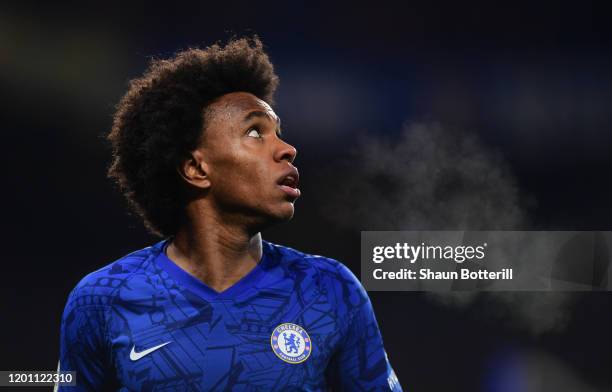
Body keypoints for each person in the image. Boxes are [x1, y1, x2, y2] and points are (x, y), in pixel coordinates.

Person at [57, 37, 402, 391]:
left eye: (278, 133)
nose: (287, 149)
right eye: (255, 132)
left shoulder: (330, 290)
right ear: (196, 168)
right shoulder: (101, 300)